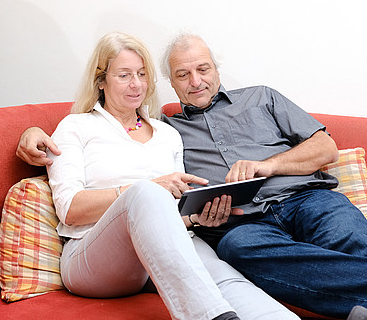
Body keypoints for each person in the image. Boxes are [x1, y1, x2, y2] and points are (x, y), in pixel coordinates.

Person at [18, 33, 367, 320]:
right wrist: (33, 132)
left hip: (306, 197)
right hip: (243, 222)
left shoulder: (251, 102)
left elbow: (325, 148)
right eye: (182, 74)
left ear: (217, 69)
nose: (196, 81)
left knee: (348, 235)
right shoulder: (166, 128)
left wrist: (268, 166)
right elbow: (134, 180)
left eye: (203, 69)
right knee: (237, 247)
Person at [39, 31, 302, 320]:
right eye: (124, 75)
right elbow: (70, 209)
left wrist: (197, 217)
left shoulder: (168, 133)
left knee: (226, 280)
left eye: (142, 74)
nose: (136, 84)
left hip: (164, 248)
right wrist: (144, 189)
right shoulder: (75, 127)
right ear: (101, 81)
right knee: (145, 193)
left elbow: (171, 213)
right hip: (93, 260)